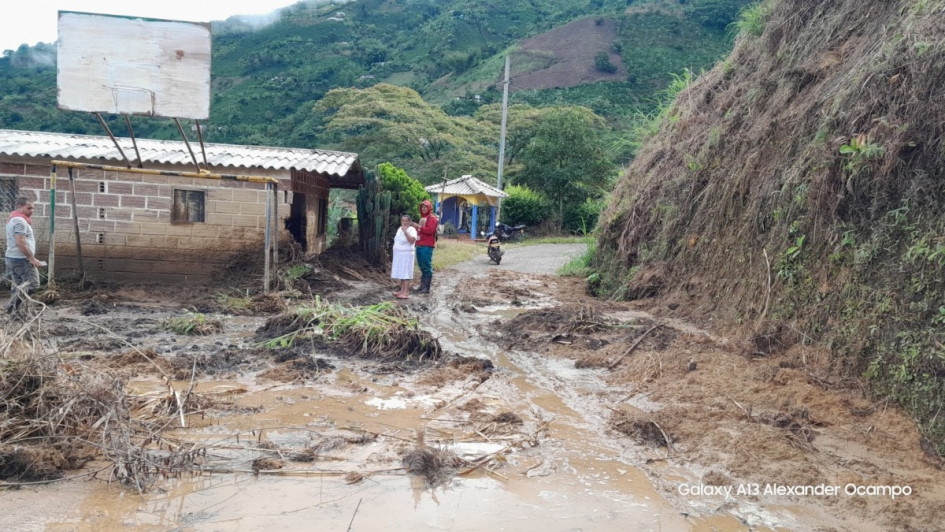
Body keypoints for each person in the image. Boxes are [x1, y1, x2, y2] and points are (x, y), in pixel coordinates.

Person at [5, 197, 43, 314]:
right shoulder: (20, 221)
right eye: (29, 208)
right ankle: (11, 307)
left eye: (33, 208)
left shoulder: (13, 218)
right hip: (21, 259)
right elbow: (20, 241)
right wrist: (31, 258)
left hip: (12, 257)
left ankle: (16, 311)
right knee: (33, 285)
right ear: (20, 207)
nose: (32, 211)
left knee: (18, 285)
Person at [410, 199, 438, 294]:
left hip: (427, 245)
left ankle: (426, 288)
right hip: (420, 244)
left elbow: (430, 230)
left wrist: (418, 227)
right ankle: (422, 286)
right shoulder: (422, 218)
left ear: (429, 208)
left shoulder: (432, 218)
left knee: (426, 265)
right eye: (423, 207)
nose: (424, 208)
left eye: (426, 207)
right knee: (421, 265)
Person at [391, 214, 418, 299]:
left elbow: (411, 241)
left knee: (406, 273)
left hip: (407, 255)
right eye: (403, 221)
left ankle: (406, 292)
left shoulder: (412, 229)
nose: (404, 222)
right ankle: (401, 290)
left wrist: (405, 232)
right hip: (399, 255)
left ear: (410, 222)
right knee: (401, 272)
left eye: (406, 221)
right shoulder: (399, 229)